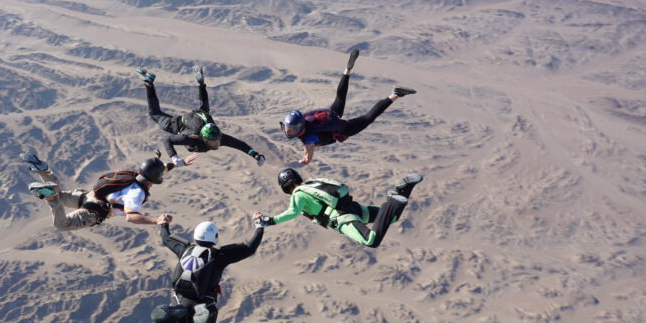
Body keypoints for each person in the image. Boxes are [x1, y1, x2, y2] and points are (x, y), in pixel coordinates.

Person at [144, 215, 266, 323]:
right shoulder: (219, 255)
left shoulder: (184, 248)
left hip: (178, 301)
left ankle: (165, 319)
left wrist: (163, 224)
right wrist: (260, 226)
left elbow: (166, 238)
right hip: (203, 304)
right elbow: (249, 248)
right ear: (214, 237)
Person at [280, 49, 417, 165]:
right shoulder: (305, 120)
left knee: (368, 117)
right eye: (287, 128)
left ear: (299, 128)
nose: (288, 131)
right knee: (340, 97)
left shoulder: (308, 137)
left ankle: (395, 94)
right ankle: (347, 70)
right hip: (330, 114)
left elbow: (309, 150)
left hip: (342, 128)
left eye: (291, 130)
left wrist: (305, 160)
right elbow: (308, 141)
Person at [137, 65, 266, 168]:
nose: (217, 144)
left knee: (204, 107)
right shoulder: (191, 138)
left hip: (197, 117)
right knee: (154, 114)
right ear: (204, 139)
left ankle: (200, 83)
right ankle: (149, 83)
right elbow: (167, 140)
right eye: (214, 141)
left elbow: (240, 145)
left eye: (217, 140)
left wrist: (256, 156)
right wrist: (175, 158)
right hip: (175, 124)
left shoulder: (218, 137)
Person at [257, 168, 423, 248]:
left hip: (341, 217)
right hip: (352, 207)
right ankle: (402, 189)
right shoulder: (311, 183)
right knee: (391, 217)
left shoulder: (298, 194)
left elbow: (292, 212)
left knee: (371, 240)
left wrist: (270, 220)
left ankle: (392, 200)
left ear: (285, 188)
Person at [22, 152, 192, 230]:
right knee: (61, 224)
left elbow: (157, 169)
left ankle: (43, 171)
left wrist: (177, 163)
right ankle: (51, 197)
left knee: (61, 193)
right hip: (92, 212)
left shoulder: (133, 175)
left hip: (88, 196)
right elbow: (131, 217)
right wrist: (156, 221)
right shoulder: (137, 193)